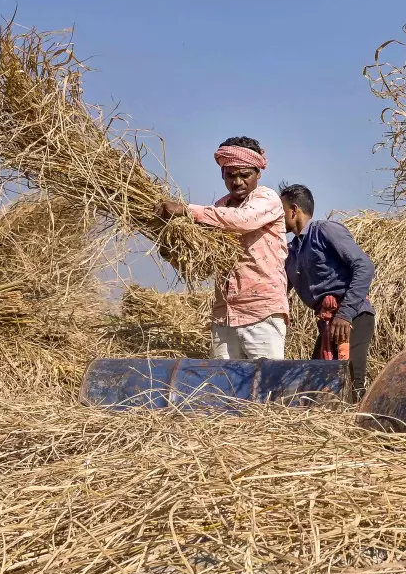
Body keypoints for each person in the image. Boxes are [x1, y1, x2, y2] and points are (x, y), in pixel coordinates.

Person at [156, 136, 289, 360]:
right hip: (225, 316)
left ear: (258, 173)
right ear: (222, 174)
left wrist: (186, 210)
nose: (237, 181)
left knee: (267, 388)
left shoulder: (267, 199)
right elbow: (207, 263)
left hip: (262, 313)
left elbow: (242, 220)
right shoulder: (219, 208)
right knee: (224, 388)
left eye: (245, 175)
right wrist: (173, 251)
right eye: (230, 175)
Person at [279, 183, 376, 399]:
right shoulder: (293, 251)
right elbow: (280, 288)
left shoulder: (324, 231)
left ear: (293, 210)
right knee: (318, 381)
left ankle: (360, 428)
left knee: (352, 379)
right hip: (328, 322)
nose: (276, 217)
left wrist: (345, 314)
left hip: (353, 315)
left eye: (280, 211)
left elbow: (364, 266)